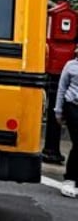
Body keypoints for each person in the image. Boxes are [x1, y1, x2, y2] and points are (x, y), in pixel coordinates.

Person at [55, 43, 78, 198]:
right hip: (72, 105)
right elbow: (61, 88)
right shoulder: (70, 66)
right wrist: (58, 110)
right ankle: (70, 178)